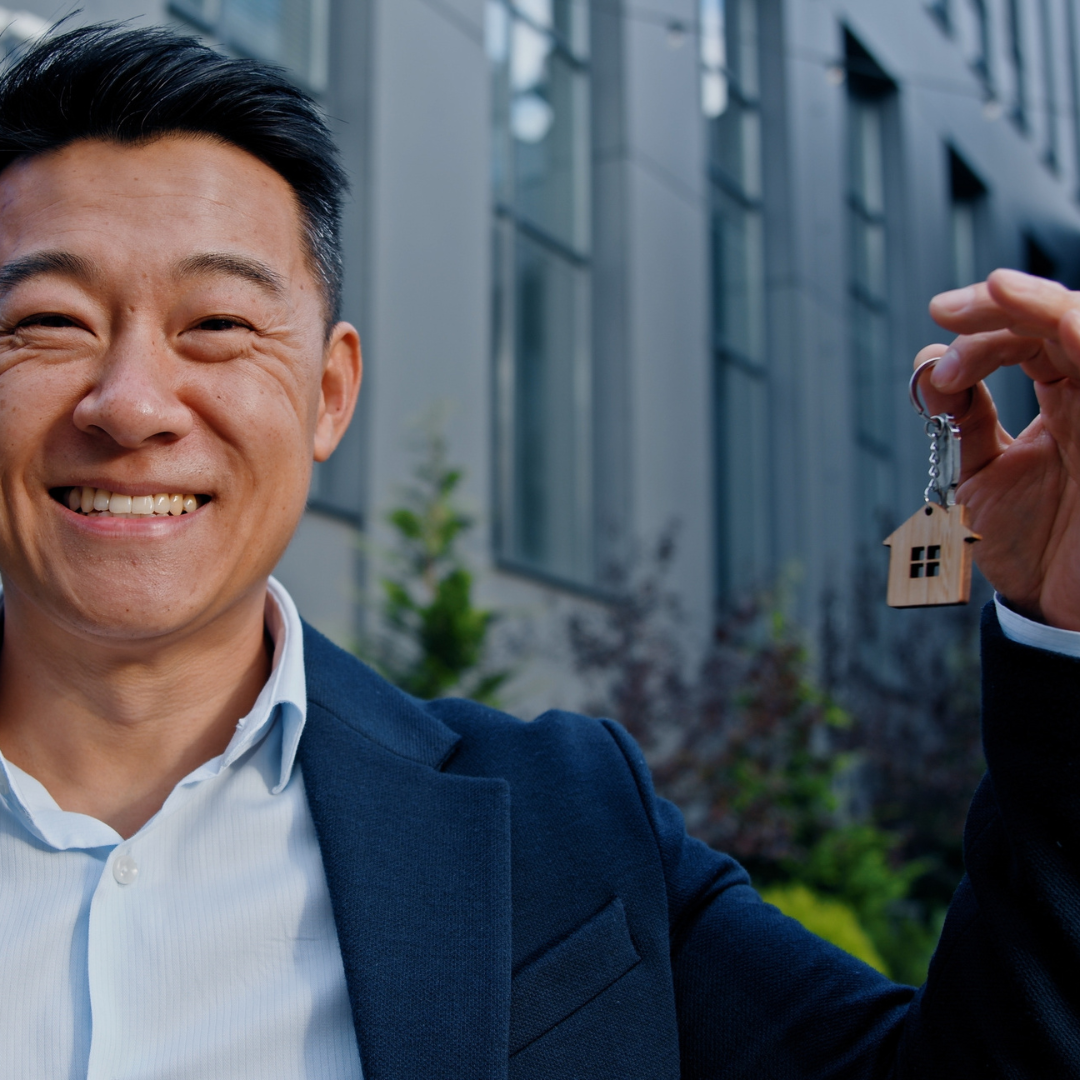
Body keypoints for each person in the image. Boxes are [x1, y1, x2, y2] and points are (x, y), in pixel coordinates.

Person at [0, 22, 1077, 1080]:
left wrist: (1063, 635)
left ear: (329, 395)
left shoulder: (568, 830)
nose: (131, 404)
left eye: (218, 325)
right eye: (48, 321)